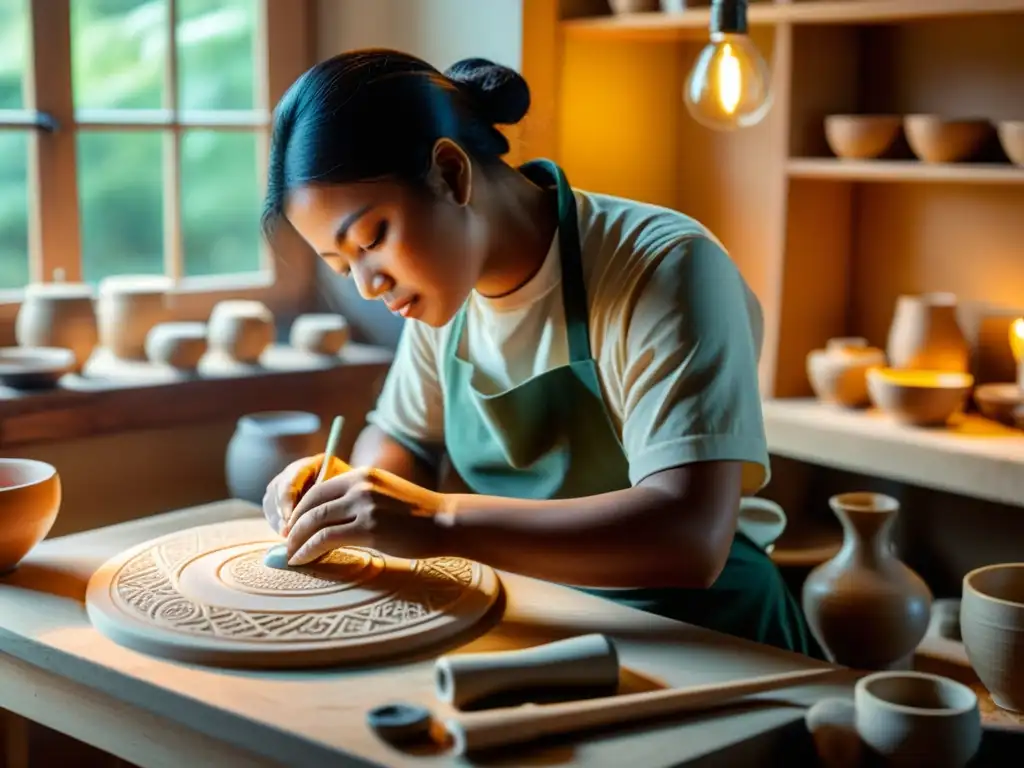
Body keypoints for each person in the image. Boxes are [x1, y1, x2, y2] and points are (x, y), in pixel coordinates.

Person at [259, 48, 817, 657]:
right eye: (342, 266)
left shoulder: (664, 267)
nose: (369, 284)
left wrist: (437, 520)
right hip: (542, 617)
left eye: (372, 239)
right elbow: (404, 439)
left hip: (698, 635)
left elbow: (689, 534)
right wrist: (351, 496)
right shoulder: (443, 290)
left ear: (450, 174)